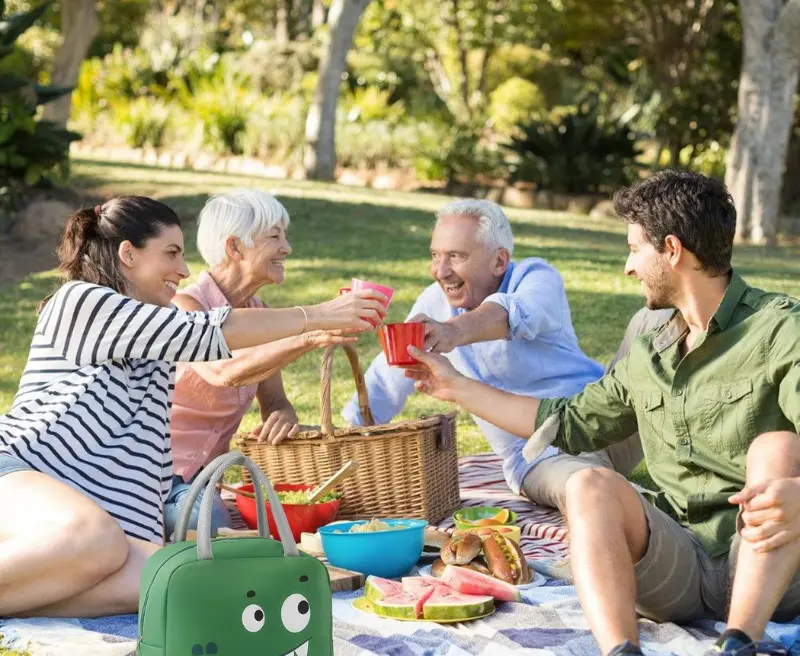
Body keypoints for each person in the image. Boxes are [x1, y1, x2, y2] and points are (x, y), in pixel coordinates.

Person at [404, 171, 800, 656]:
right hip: (681, 560)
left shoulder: (780, 328)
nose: (628, 265)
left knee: (777, 447)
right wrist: (452, 386)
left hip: (765, 560)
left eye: (635, 248)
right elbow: (564, 422)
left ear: (672, 250)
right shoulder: (652, 343)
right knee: (586, 485)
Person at [0, 196, 386, 618]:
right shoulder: (81, 302)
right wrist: (319, 315)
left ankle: (23, 597)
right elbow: (204, 333)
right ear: (128, 254)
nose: (183, 270)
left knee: (194, 583)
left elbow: (150, 461)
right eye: (171, 253)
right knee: (96, 537)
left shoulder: (156, 354)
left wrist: (183, 509)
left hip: (102, 531)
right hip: (23, 478)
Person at [342, 199, 606, 501]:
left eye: (455, 256)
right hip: (540, 455)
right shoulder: (434, 302)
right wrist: (349, 434)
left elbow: (511, 313)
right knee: (589, 490)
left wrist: (453, 331)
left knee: (651, 321)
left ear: (499, 261)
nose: (440, 271)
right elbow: (389, 373)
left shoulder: (535, 278)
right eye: (435, 255)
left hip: (603, 416)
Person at [164, 190, 355, 538]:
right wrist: (310, 333)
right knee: (213, 532)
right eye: (274, 236)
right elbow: (223, 371)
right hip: (161, 479)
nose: (287, 248)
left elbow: (274, 400)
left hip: (209, 481)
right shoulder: (184, 307)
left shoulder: (257, 310)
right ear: (234, 248)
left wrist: (283, 414)